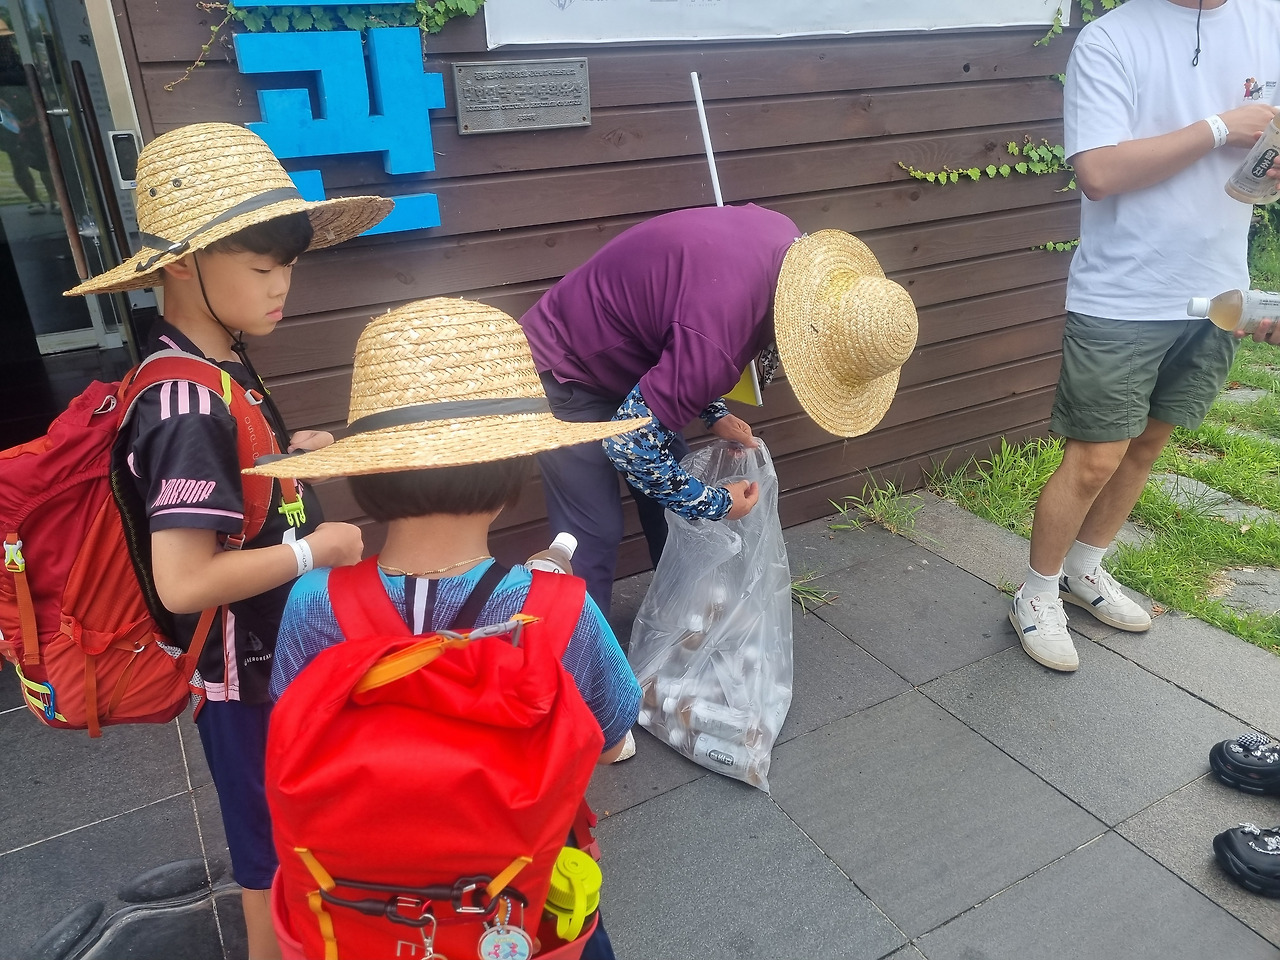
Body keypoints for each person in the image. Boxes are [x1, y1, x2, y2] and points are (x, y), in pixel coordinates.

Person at [65, 121, 391, 960]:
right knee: (268, 853)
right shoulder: (185, 403)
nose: (282, 286)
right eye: (260, 267)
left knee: (298, 830)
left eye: (288, 265)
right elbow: (183, 580)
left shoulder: (218, 362)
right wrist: (321, 550)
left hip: (276, 655)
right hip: (244, 677)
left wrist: (289, 463)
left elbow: (231, 494)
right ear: (183, 265)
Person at [255, 297, 645, 959]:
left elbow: (290, 731)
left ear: (367, 475)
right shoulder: (560, 611)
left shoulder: (314, 602)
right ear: (513, 471)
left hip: (360, 909)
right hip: (513, 907)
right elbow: (608, 743)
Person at [1010, 0, 1280, 673]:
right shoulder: (1112, 38)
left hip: (1219, 289)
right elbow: (1098, 174)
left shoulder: (1267, 19)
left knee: (1149, 444)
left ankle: (1086, 568)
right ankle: (1037, 593)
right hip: (1124, 293)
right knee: (1095, 458)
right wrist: (1221, 127)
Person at [519, 204, 920, 615]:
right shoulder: (716, 345)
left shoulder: (782, 235)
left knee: (671, 500)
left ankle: (676, 625)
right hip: (565, 367)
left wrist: (713, 411)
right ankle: (579, 652)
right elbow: (632, 447)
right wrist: (719, 504)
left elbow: (682, 317)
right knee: (590, 533)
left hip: (631, 363)